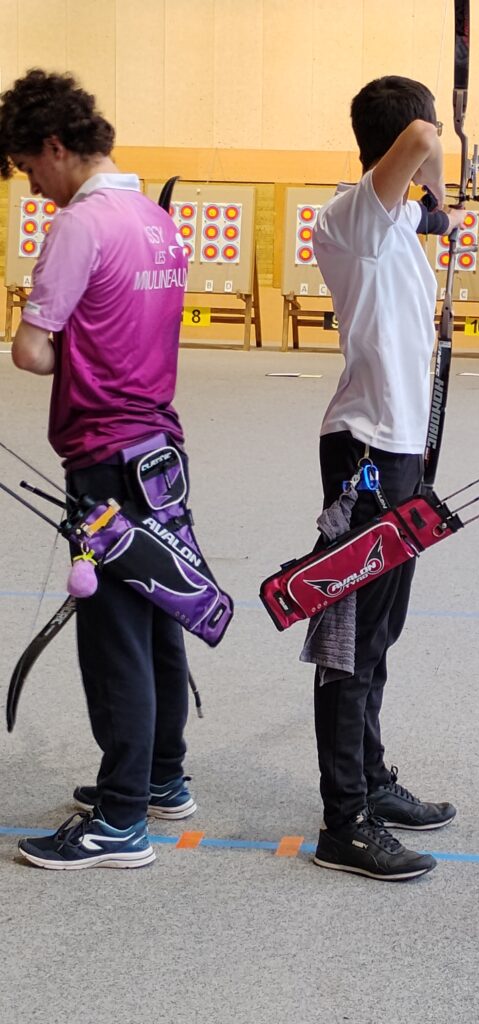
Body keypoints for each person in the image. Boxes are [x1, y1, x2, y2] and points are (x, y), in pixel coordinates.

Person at [0, 69, 196, 869]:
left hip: (107, 458)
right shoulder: (153, 218)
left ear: (55, 146)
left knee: (114, 634)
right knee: (157, 610)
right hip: (159, 450)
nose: (33, 187)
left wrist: (45, 331)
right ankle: (160, 778)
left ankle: (119, 822)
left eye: (29, 169)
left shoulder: (82, 224)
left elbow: (32, 348)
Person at [308, 76, 463, 882]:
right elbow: (424, 149)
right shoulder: (351, 216)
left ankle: (367, 778)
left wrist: (439, 209)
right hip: (363, 455)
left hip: (399, 455)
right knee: (349, 639)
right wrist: (439, 162)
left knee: (380, 633)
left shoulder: (393, 217)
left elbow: (423, 191)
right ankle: (345, 822)